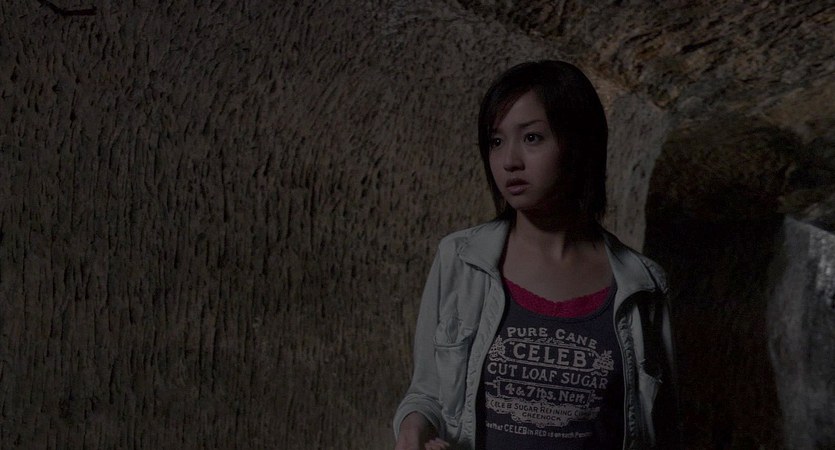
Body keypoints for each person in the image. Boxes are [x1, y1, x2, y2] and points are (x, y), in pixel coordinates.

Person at [393, 60, 678, 450]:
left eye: (532, 138)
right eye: (496, 141)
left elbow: (664, 427)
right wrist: (413, 429)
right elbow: (426, 394)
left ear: (578, 144)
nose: (509, 160)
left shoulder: (642, 285)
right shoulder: (460, 260)